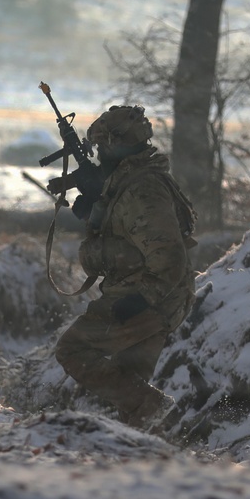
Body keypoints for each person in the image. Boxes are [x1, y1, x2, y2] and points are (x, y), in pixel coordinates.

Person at [54, 105, 197, 431]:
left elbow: (169, 258)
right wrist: (94, 210)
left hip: (150, 297)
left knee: (72, 349)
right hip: (160, 295)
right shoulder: (128, 180)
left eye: (103, 147)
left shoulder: (142, 191)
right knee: (129, 387)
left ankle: (153, 409)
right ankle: (146, 459)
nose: (99, 154)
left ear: (118, 146)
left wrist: (138, 302)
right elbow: (129, 235)